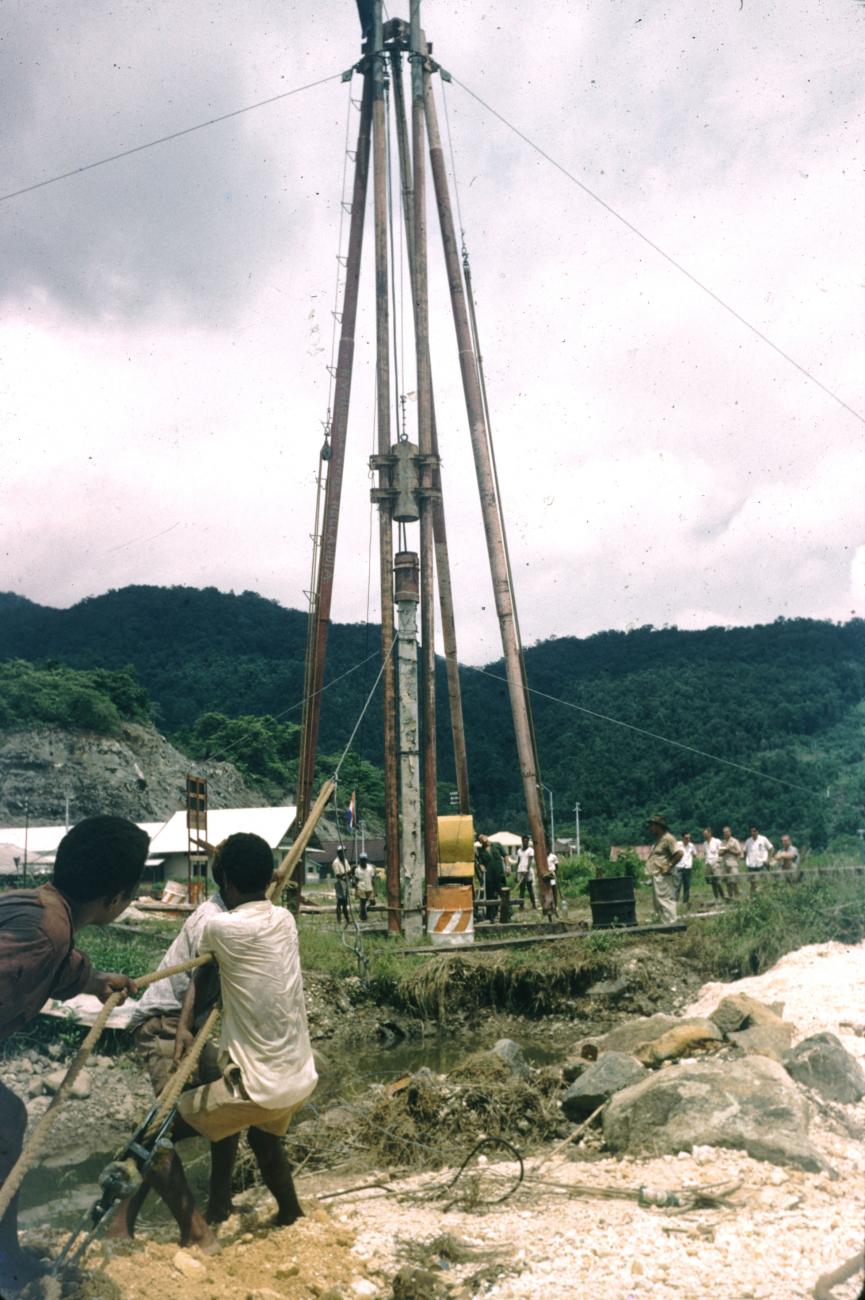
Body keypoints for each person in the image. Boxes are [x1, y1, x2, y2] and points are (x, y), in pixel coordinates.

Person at [140, 832, 318, 1250]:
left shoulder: (218, 926)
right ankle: (289, 1212)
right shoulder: (286, 920)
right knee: (261, 1137)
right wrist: (185, 1025)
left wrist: (185, 1025)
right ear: (268, 876)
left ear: (227, 884)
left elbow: (203, 975)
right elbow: (205, 978)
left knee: (152, 1135)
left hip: (256, 1088)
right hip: (299, 1080)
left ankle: (185, 1233)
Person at [0, 816, 148, 1296]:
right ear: (115, 899)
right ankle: (5, 1264)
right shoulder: (44, 929)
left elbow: (57, 970)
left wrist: (96, 981)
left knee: (7, 1122)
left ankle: (5, 1259)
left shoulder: (48, 916)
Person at [110, 853, 232, 1238]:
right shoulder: (213, 918)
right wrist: (183, 1028)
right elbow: (198, 978)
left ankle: (219, 1201)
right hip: (164, 1023)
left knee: (230, 1099)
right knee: (158, 1131)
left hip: (190, 1026)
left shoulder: (238, 908)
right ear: (231, 881)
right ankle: (187, 1230)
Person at [645, 814, 682, 924]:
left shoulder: (668, 839)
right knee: (658, 901)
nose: (650, 828)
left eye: (652, 825)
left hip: (664, 875)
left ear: (658, 826)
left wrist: (669, 865)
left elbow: (679, 854)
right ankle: (662, 921)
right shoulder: (659, 840)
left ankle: (671, 922)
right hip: (657, 875)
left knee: (665, 899)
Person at [743, 824, 774, 894]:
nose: (752, 833)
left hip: (762, 865)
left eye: (754, 831)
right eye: (751, 831)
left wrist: (769, 859)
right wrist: (746, 859)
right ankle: (753, 899)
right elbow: (744, 851)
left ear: (757, 831)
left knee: (764, 882)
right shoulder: (748, 841)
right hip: (751, 865)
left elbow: (771, 848)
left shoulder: (763, 839)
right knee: (752, 883)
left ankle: (765, 897)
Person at [718, 825, 743, 899]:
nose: (725, 834)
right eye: (724, 832)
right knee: (727, 882)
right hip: (724, 864)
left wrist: (730, 850)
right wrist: (725, 851)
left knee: (734, 881)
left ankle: (737, 896)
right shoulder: (722, 842)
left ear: (730, 832)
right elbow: (719, 853)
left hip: (733, 864)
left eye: (727, 832)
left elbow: (739, 852)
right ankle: (730, 897)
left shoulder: (734, 841)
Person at [675, 831, 696, 909]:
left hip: (688, 867)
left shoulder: (691, 845)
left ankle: (685, 901)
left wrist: (691, 858)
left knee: (687, 885)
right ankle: (675, 902)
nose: (688, 839)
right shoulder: (678, 844)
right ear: (683, 838)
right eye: (686, 838)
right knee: (677, 885)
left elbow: (695, 854)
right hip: (679, 866)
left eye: (689, 838)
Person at [515, 835, 536, 911]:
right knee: (522, 889)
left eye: (526, 841)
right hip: (520, 871)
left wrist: (527, 870)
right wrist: (516, 873)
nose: (525, 842)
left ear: (528, 841)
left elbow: (530, 861)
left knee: (530, 888)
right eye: (524, 841)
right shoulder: (519, 850)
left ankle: (534, 905)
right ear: (522, 841)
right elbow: (518, 861)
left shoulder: (530, 850)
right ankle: (521, 906)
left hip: (527, 871)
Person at [702, 826, 723, 901]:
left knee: (718, 881)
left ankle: (722, 896)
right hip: (708, 864)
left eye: (705, 834)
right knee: (711, 881)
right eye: (703, 834)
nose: (704, 835)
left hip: (716, 863)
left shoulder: (717, 841)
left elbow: (722, 851)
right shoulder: (704, 843)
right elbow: (705, 854)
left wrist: (719, 860)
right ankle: (716, 898)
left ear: (710, 833)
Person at [332, 845, 351, 925]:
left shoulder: (345, 861)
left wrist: (351, 872)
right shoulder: (336, 862)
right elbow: (338, 875)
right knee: (340, 902)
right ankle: (339, 919)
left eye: (344, 852)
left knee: (345, 902)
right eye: (341, 852)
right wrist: (349, 872)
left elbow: (348, 871)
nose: (343, 854)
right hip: (339, 883)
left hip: (345, 883)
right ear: (338, 853)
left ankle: (347, 919)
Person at [353, 852, 376, 921]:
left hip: (369, 887)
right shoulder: (357, 869)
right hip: (361, 887)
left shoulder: (370, 868)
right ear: (360, 860)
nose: (363, 861)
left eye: (364, 859)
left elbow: (373, 879)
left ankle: (364, 910)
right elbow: (356, 881)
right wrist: (356, 891)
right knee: (362, 902)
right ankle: (363, 917)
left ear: (366, 860)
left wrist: (375, 889)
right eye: (362, 859)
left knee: (373, 902)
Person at [546, 849, 560, 915]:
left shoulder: (553, 856)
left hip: (552, 875)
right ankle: (549, 905)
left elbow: (557, 866)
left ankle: (556, 905)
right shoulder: (543, 857)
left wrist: (554, 874)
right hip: (546, 876)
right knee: (547, 890)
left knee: (554, 889)